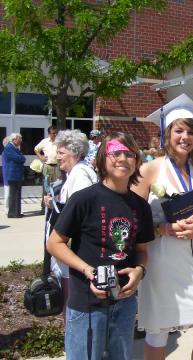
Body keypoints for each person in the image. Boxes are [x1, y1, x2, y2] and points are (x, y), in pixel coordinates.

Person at [46, 132, 154, 360]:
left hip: (124, 303)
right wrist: (88, 270)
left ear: (137, 162)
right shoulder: (85, 199)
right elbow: (55, 243)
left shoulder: (141, 207)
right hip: (87, 304)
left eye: (129, 154)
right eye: (116, 153)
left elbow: (142, 251)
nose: (123, 158)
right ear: (103, 159)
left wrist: (139, 271)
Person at [133, 94, 193, 360]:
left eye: (191, 131)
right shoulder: (150, 170)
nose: (185, 137)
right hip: (160, 260)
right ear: (167, 135)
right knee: (159, 330)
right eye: (179, 130)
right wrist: (163, 229)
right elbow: (131, 219)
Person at [44, 129, 98, 316]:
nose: (57, 157)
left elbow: (82, 212)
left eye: (61, 153)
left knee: (72, 306)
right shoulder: (77, 172)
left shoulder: (80, 174)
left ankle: (75, 344)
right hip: (71, 249)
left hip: (73, 249)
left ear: (75, 152)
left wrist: (57, 205)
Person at [35, 126, 61, 208]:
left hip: (57, 166)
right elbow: (36, 149)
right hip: (48, 166)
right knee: (46, 186)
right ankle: (44, 206)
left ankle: (56, 204)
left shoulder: (59, 141)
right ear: (49, 134)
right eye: (53, 133)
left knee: (57, 185)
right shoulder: (45, 141)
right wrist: (41, 156)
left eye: (56, 133)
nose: (55, 134)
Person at [4, 133, 26, 218]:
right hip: (13, 174)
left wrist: (21, 157)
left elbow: (20, 157)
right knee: (14, 194)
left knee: (16, 194)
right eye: (19, 139)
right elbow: (19, 158)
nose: (20, 141)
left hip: (16, 174)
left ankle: (16, 212)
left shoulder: (15, 148)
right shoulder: (9, 148)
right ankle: (13, 213)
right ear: (14, 139)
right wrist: (22, 157)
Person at [1, 136, 9, 214]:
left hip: (8, 174)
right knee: (8, 192)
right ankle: (6, 208)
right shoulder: (6, 152)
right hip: (8, 174)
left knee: (9, 192)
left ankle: (8, 208)